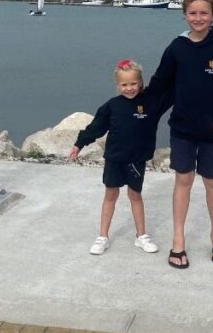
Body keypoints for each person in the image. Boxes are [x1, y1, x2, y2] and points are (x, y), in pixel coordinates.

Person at [145, 0, 213, 269]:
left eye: (204, 13)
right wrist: (137, 107)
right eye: (192, 13)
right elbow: (159, 85)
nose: (198, 18)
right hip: (183, 130)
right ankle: (178, 240)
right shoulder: (176, 48)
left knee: (212, 182)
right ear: (184, 15)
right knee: (183, 181)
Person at [68, 58, 173, 256]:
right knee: (111, 195)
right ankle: (102, 237)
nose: (129, 88)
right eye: (124, 85)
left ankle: (141, 236)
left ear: (140, 83)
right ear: (118, 86)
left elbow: (172, 90)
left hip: (136, 160)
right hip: (114, 159)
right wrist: (79, 144)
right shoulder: (112, 106)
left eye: (133, 83)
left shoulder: (152, 103)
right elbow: (96, 128)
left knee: (135, 195)